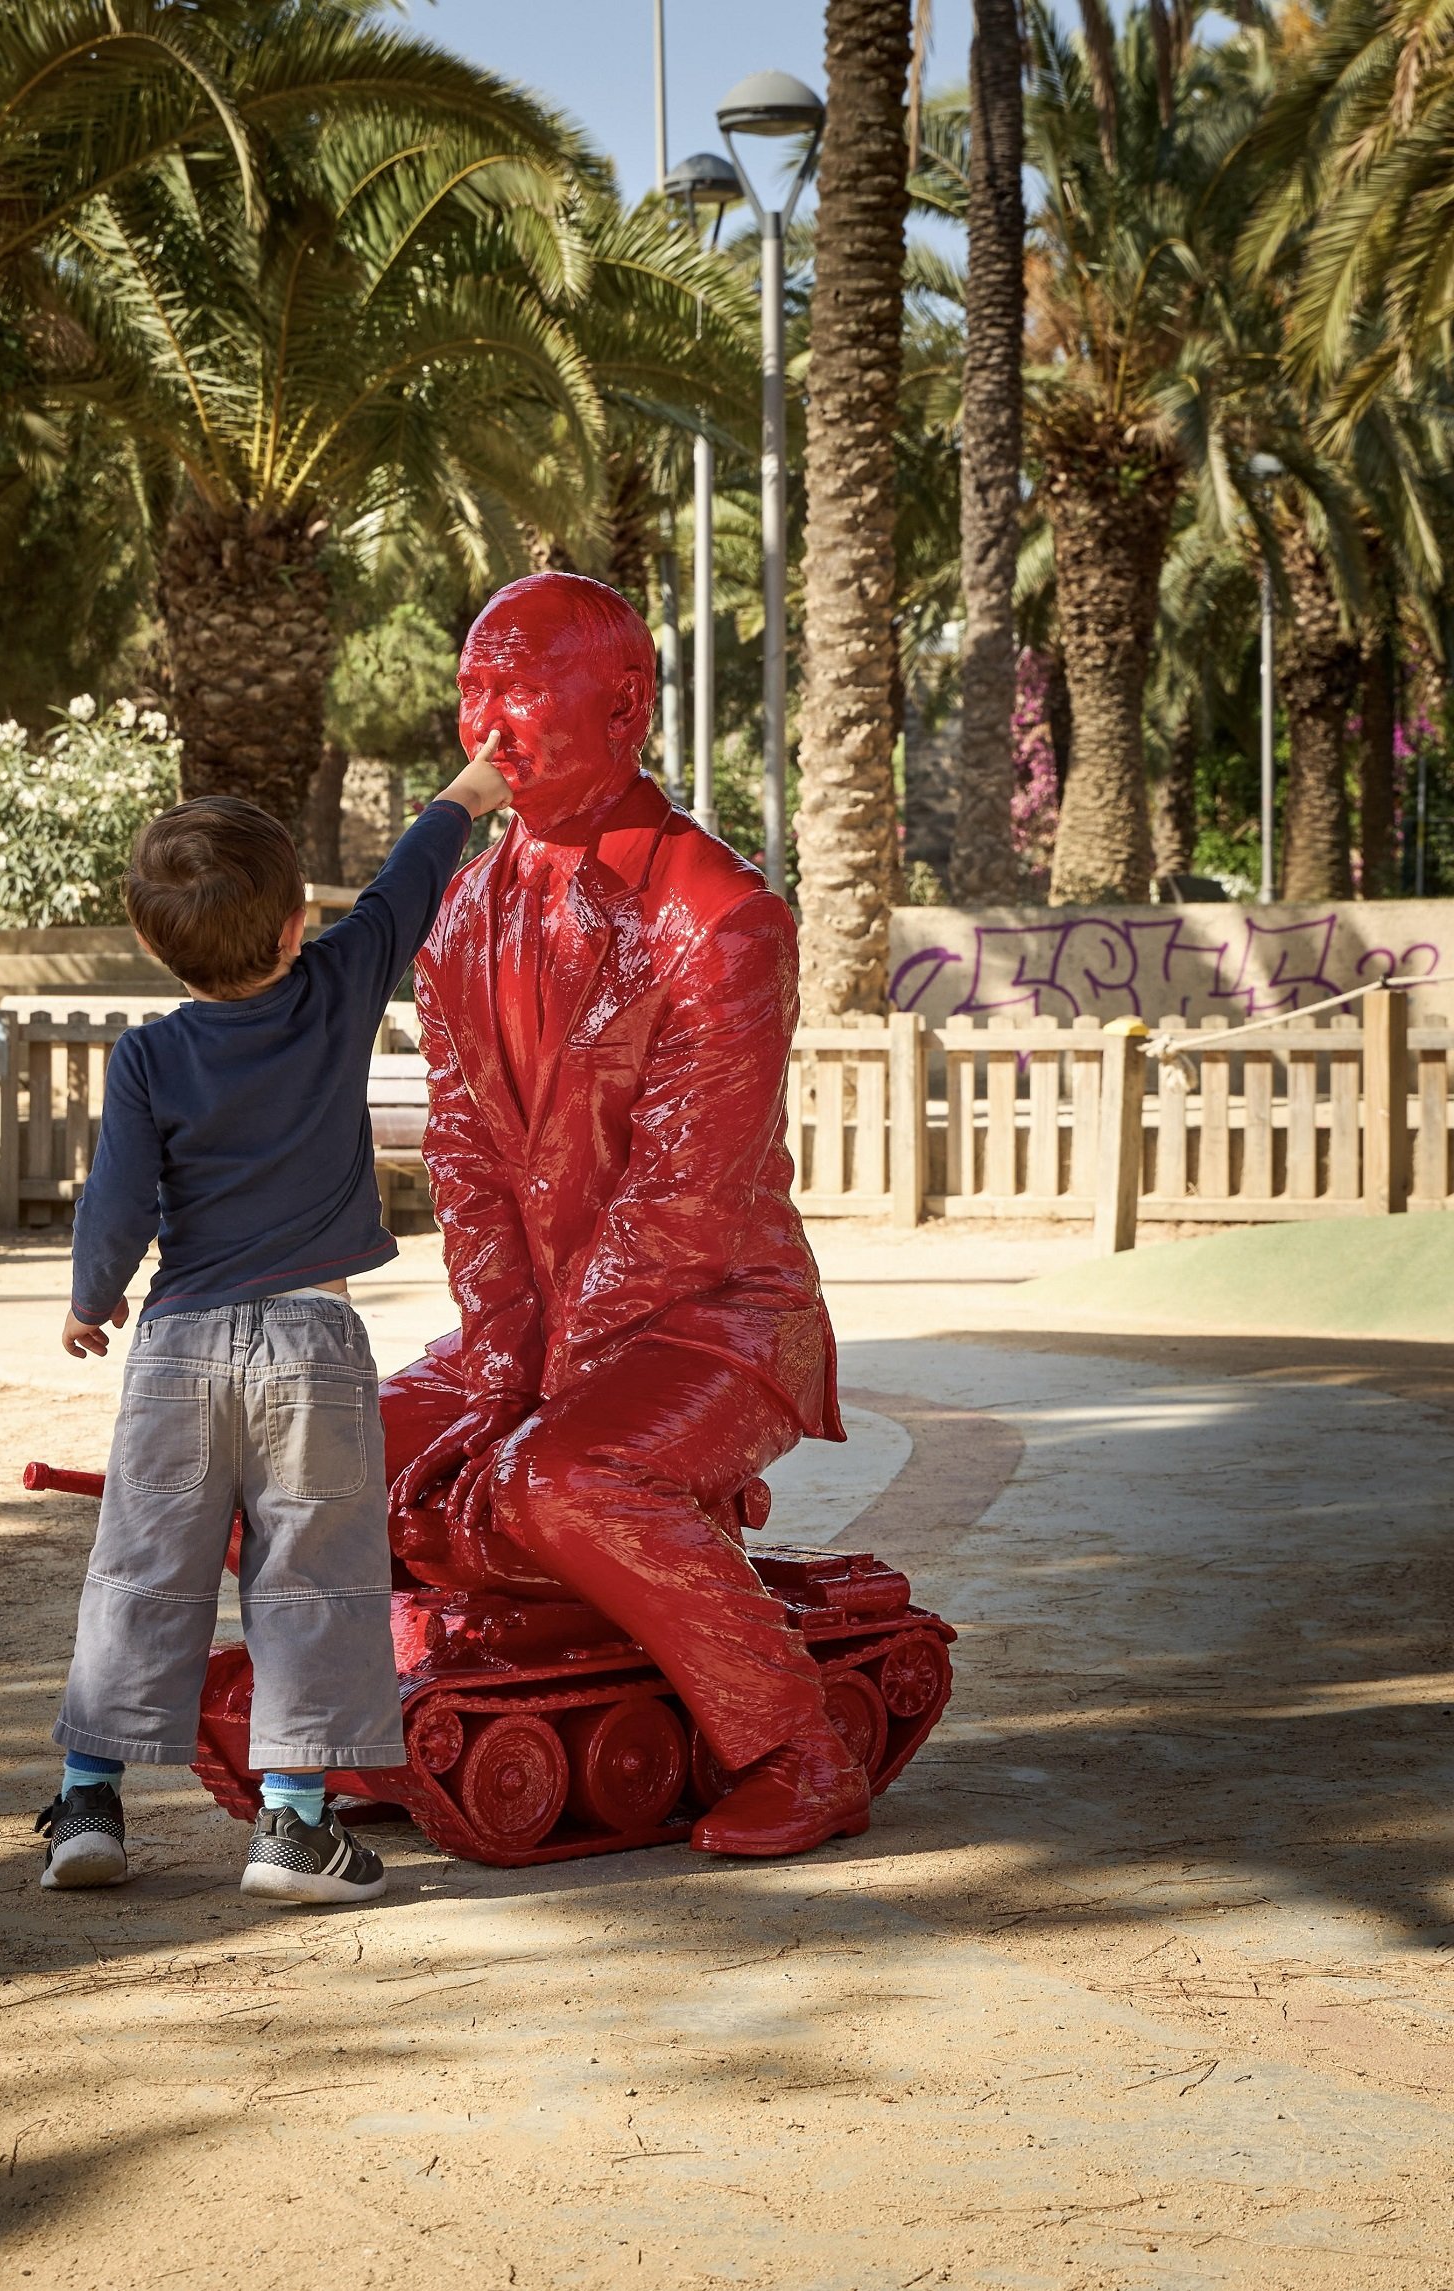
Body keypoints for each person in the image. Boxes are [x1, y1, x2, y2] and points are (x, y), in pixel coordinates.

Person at [381, 570, 870, 1859]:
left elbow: (682, 1204)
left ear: (627, 706)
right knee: (316, 1456)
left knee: (561, 1477)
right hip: (535, 1339)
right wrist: (496, 1366)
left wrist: (538, 1405)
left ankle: (797, 1745)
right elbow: (465, 1163)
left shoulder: (720, 918)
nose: (488, 727)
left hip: (712, 1327)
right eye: (472, 690)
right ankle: (382, 1708)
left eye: (520, 691)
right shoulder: (459, 911)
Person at [43, 739, 510, 1903]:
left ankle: (89, 1803)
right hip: (311, 1337)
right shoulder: (337, 987)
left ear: (151, 943)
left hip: (180, 1342)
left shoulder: (147, 1054)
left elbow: (117, 1201)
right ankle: (294, 1827)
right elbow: (407, 886)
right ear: (300, 920)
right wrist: (468, 793)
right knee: (314, 1574)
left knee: (142, 1567)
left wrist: (88, 1299)